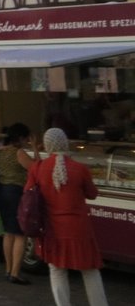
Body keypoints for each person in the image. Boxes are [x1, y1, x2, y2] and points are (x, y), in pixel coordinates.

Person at [33, 128, 108, 305]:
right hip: (79, 228)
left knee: (57, 269)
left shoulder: (38, 169)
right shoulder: (79, 168)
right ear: (65, 143)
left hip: (52, 228)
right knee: (90, 269)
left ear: (47, 145)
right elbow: (92, 194)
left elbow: (29, 193)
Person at [0, 122, 37, 285]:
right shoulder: (18, 153)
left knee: (8, 232)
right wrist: (35, 149)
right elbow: (36, 169)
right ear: (20, 138)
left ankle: (8, 269)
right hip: (15, 193)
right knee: (20, 234)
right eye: (26, 138)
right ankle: (15, 273)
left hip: (0, 192)